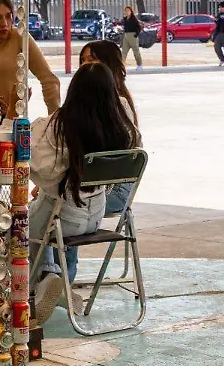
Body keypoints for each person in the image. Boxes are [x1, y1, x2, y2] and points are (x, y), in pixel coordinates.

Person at [28, 62, 140, 325]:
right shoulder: (120, 128)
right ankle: (55, 283)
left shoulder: (58, 126)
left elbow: (40, 170)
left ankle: (42, 283)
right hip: (97, 216)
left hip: (63, 218)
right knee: (43, 215)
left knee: (23, 224)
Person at [79, 40, 138, 217]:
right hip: (94, 190)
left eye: (91, 60)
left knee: (56, 209)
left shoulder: (119, 105)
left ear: (108, 64)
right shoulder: (85, 104)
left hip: (111, 193)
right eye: (82, 60)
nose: (84, 65)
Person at [120, 6, 143, 71]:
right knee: (124, 52)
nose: (127, 12)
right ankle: (121, 65)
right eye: (126, 10)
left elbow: (138, 27)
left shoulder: (134, 19)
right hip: (126, 35)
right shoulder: (125, 19)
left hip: (133, 36)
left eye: (128, 10)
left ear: (131, 11)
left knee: (136, 51)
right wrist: (121, 30)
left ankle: (139, 65)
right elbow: (125, 28)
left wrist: (136, 35)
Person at [213, 2, 224, 67]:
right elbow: (217, 22)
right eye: (219, 8)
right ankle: (222, 59)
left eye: (221, 7)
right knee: (216, 47)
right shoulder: (219, 15)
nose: (220, 9)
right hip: (219, 33)